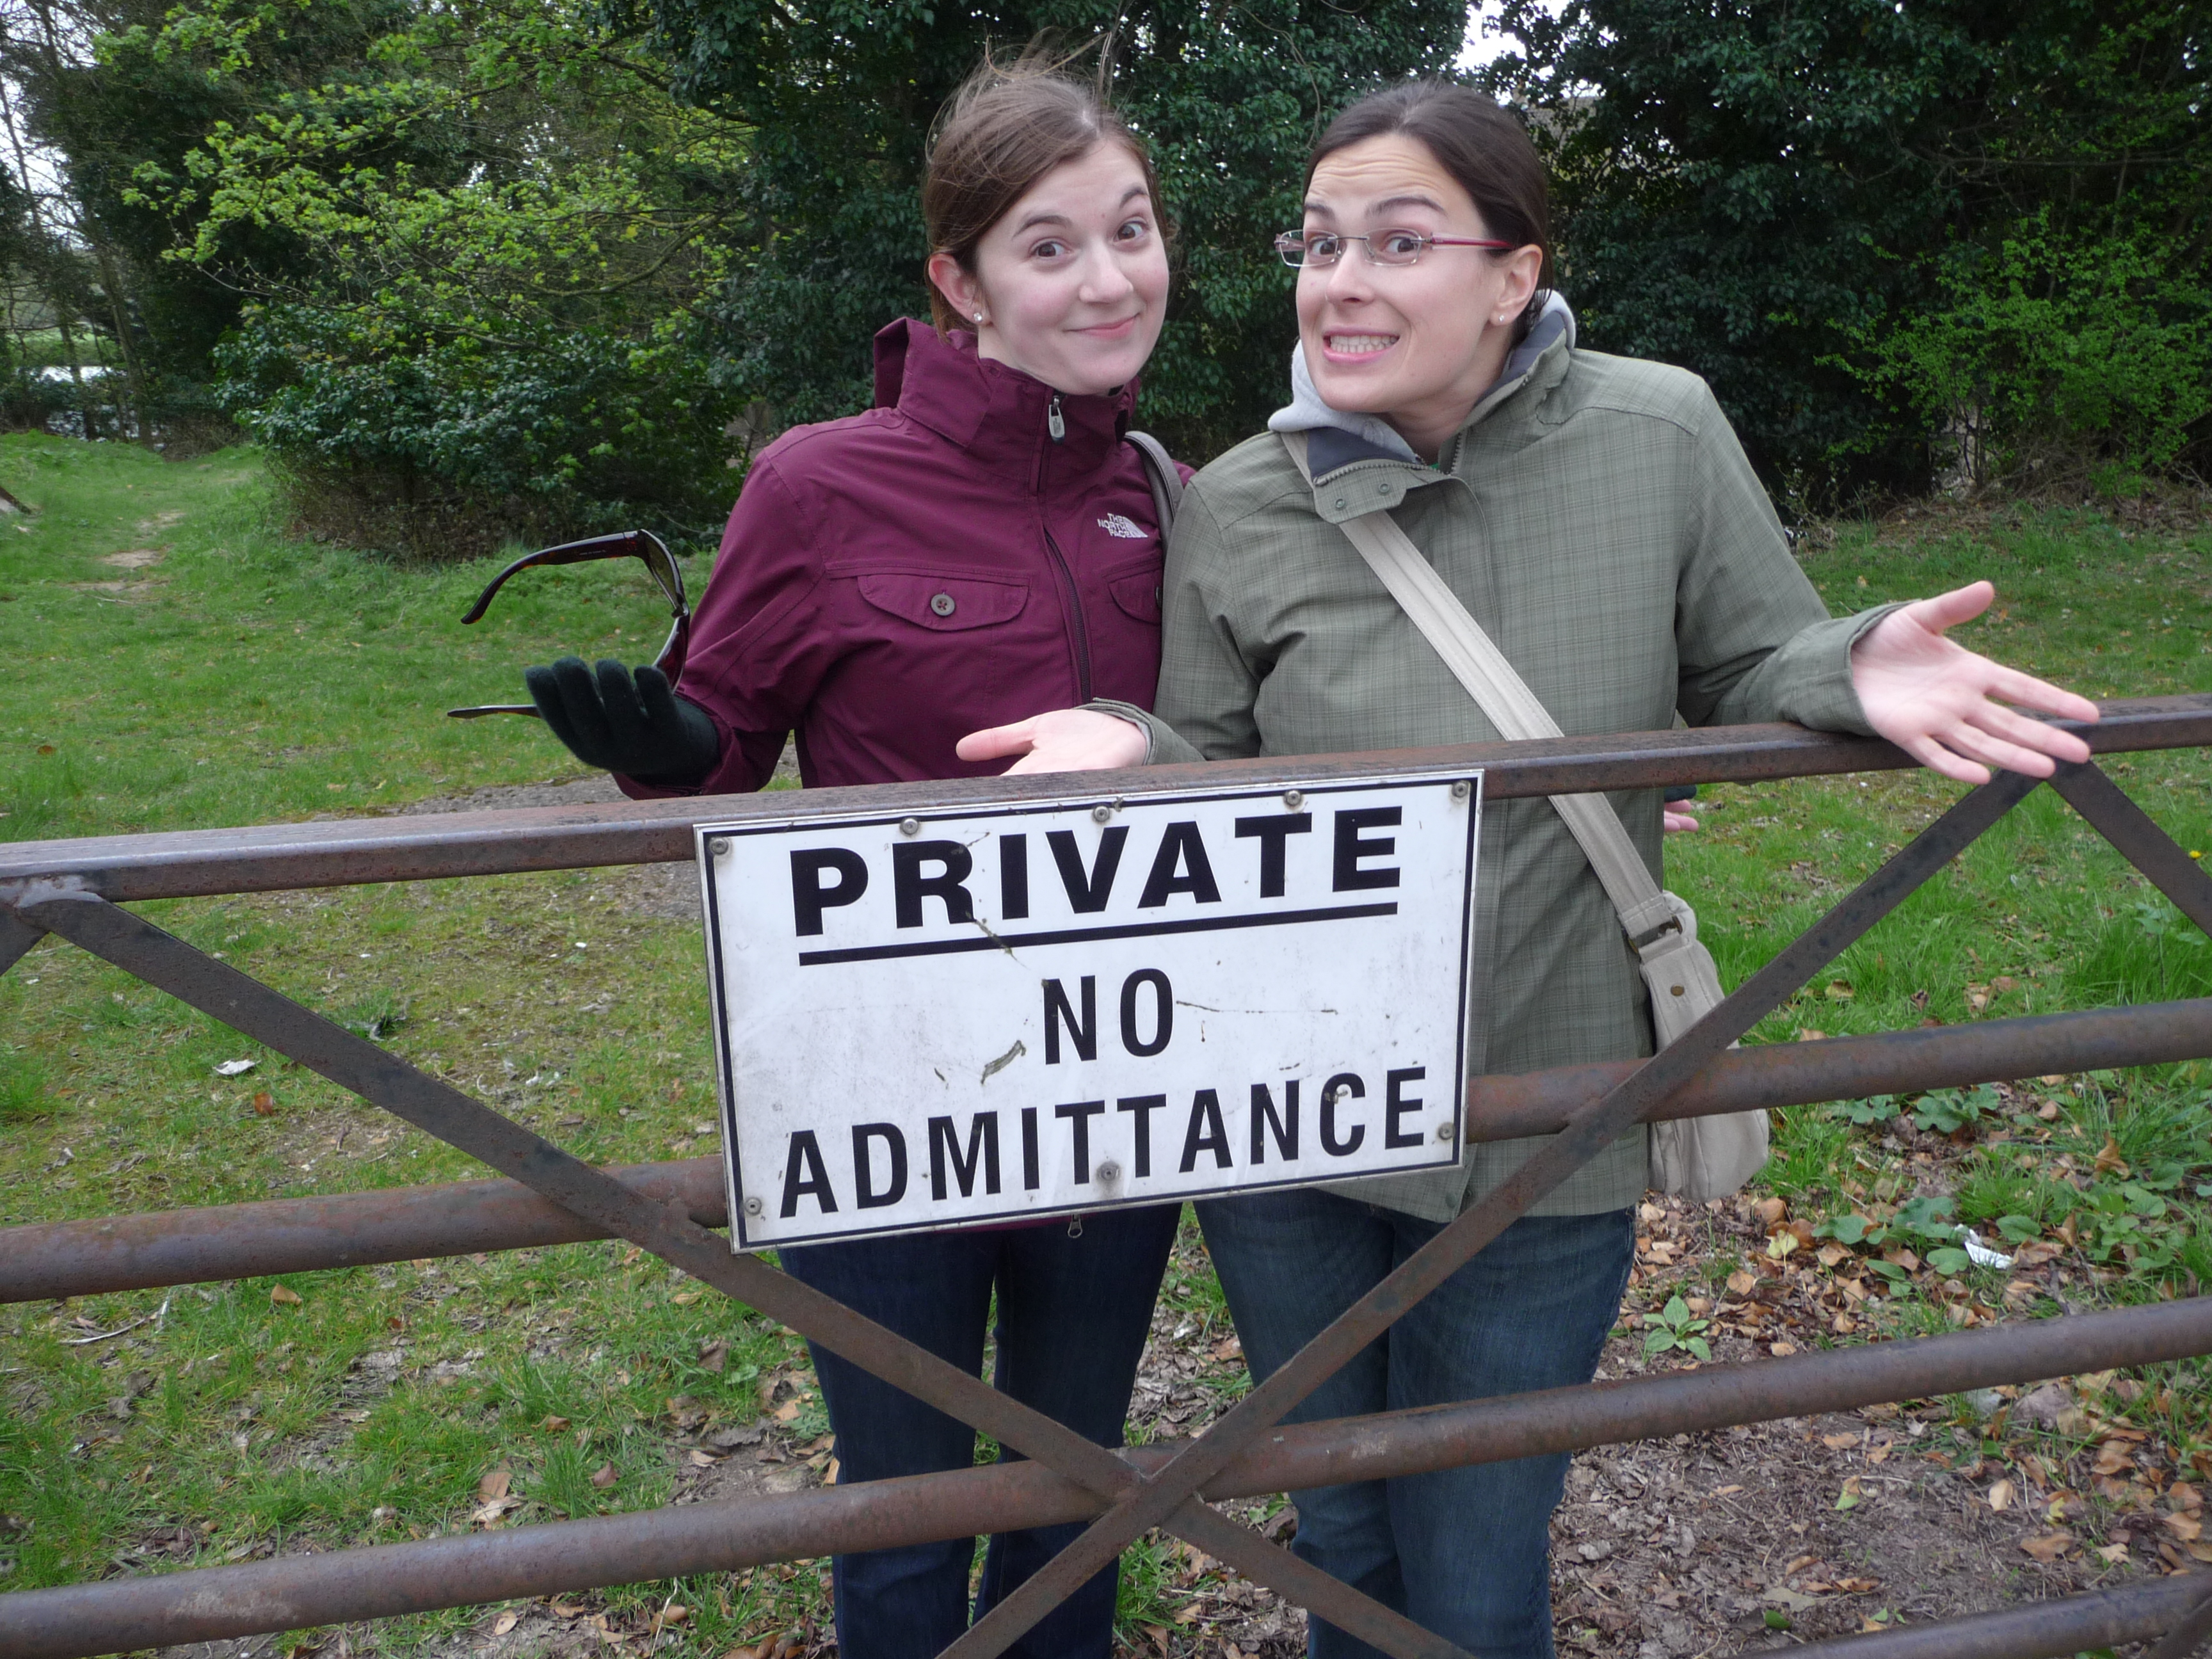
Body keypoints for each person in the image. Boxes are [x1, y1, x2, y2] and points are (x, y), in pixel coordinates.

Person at [957, 81, 2097, 1659]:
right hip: (1294, 1111)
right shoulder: (1243, 502)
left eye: (1399, 241)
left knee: (1482, 1548)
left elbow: (1757, 645)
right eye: (1319, 241)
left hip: (1551, 1107)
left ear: (1515, 274)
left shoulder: (1660, 429)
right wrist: (1130, 747)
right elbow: (1209, 748)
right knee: (1338, 1520)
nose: (1340, 281)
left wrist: (1851, 665)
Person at [518, 56, 1187, 1659]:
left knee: (1078, 1485)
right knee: (901, 1511)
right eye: (1050, 244)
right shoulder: (818, 484)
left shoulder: (1170, 493)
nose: (1109, 278)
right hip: (887, 1083)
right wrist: (671, 744)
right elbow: (724, 742)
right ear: (958, 280)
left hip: (1123, 1074)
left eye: (1134, 228)